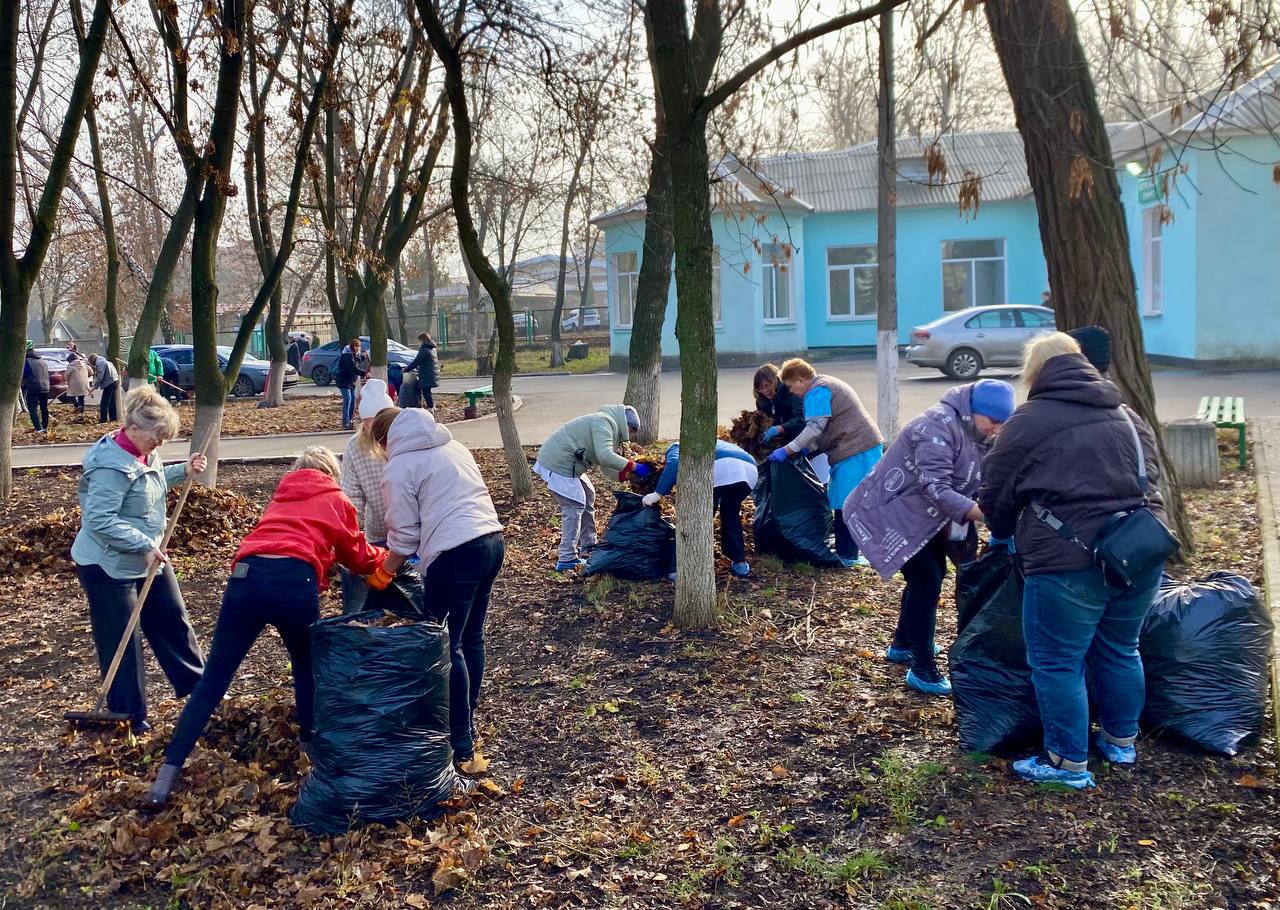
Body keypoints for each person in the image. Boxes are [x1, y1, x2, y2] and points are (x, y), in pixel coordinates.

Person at [978, 333, 1169, 790]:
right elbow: (1152, 478)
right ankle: (1122, 742)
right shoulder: (1128, 416)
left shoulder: (1028, 422)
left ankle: (1066, 762)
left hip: (1068, 561)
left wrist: (1003, 535)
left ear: (1035, 373)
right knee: (1122, 648)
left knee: (1058, 661)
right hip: (1139, 556)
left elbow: (995, 493)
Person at [146, 446, 387, 806]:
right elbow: (357, 556)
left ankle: (167, 773)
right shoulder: (337, 499)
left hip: (245, 578)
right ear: (330, 473)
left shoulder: (281, 496)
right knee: (306, 670)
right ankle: (310, 755)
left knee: (213, 679)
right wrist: (390, 558)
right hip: (294, 582)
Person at [843, 380, 1016, 696]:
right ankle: (922, 669)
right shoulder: (935, 425)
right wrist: (987, 515)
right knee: (927, 579)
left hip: (925, 519)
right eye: (993, 421)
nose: (996, 429)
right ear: (975, 412)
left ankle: (903, 644)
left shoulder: (978, 433)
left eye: (1002, 423)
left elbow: (982, 477)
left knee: (927, 577)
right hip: (889, 514)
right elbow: (935, 487)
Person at [72, 385, 207, 736]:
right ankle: (129, 716)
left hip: (148, 556)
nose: (159, 445)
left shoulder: (144, 452)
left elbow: (151, 481)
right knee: (122, 641)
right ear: (132, 430)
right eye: (156, 439)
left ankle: (201, 693)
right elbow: (99, 520)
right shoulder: (109, 465)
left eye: (164, 440)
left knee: (173, 621)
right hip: (106, 564)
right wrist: (144, 545)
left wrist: (182, 470)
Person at [373, 407, 504, 764]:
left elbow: (404, 537)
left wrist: (382, 572)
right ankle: (467, 713)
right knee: (472, 637)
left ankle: (460, 743)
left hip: (455, 555)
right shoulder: (454, 447)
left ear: (386, 439)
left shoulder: (399, 468)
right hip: (491, 542)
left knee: (447, 645)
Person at [769, 359, 884, 567]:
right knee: (845, 499)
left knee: (846, 502)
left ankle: (848, 554)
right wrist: (807, 449)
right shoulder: (824, 385)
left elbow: (814, 428)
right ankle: (852, 551)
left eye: (791, 386)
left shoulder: (817, 392)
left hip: (857, 449)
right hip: (858, 448)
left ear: (801, 380)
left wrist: (787, 450)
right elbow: (827, 428)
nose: (792, 391)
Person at [532, 405, 651, 571]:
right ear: (627, 426)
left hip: (571, 464)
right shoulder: (604, 422)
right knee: (574, 505)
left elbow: (606, 467)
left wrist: (627, 475)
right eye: (633, 431)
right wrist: (634, 467)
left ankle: (589, 546)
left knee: (588, 495)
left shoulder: (611, 431)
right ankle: (567, 558)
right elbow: (605, 456)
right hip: (559, 463)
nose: (632, 436)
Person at [643, 439, 758, 577]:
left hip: (721, 468)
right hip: (749, 470)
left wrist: (658, 493)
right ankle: (740, 564)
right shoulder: (714, 442)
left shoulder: (676, 446)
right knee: (730, 514)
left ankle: (679, 569)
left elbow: (674, 463)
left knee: (699, 518)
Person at [339, 379, 396, 613]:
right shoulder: (355, 447)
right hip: (379, 533)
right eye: (367, 423)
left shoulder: (402, 439)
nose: (372, 430)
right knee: (374, 603)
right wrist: (351, 543)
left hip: (415, 533)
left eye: (378, 423)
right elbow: (351, 499)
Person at [753, 363, 806, 446]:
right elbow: (762, 422)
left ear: (776, 380)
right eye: (760, 388)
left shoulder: (791, 391)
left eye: (767, 385)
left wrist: (780, 428)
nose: (765, 391)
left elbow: (801, 418)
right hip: (779, 442)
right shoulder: (761, 401)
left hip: (800, 440)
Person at [404, 332, 440, 409]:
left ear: (423, 340)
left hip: (427, 374)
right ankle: (432, 406)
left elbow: (416, 361)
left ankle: (431, 407)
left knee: (426, 392)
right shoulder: (432, 348)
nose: (419, 343)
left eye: (420, 340)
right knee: (427, 391)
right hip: (431, 373)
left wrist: (406, 369)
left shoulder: (424, 349)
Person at [21, 348, 51, 433]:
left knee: (32, 408)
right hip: (45, 387)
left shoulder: (27, 361)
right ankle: (45, 427)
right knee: (44, 408)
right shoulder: (43, 362)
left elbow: (25, 375)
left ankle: (38, 428)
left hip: (33, 388)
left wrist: (23, 385)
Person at [334, 338, 362, 429]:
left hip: (351, 381)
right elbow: (353, 369)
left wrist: (362, 355)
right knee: (348, 399)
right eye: (358, 347)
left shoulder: (354, 354)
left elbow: (359, 362)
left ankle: (350, 421)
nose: (359, 348)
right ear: (354, 347)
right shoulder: (346, 356)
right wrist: (365, 373)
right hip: (343, 380)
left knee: (353, 400)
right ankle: (345, 422)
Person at [89, 353, 120, 423]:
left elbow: (100, 377)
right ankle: (113, 418)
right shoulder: (106, 361)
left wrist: (94, 386)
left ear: (93, 361)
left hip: (109, 383)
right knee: (112, 402)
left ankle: (103, 420)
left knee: (104, 403)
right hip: (115, 381)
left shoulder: (100, 363)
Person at [66, 350, 90, 414]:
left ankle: (77, 405)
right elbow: (91, 372)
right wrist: (85, 376)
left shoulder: (70, 366)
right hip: (84, 384)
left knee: (70, 396)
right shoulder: (84, 364)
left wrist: (67, 381)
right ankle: (81, 412)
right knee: (81, 398)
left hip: (74, 383)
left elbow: (67, 375)